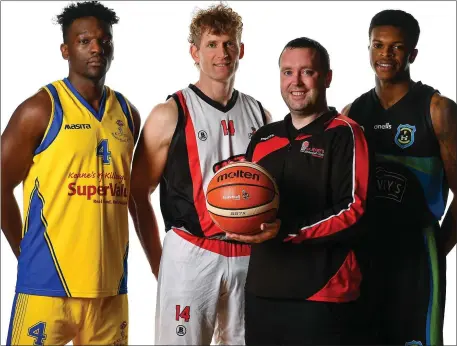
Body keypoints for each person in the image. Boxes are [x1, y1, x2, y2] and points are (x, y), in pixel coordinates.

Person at [128, 3, 270, 345]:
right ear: (195, 51)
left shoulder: (261, 114)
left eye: (229, 44)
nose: (221, 53)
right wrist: (160, 264)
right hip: (191, 253)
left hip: (248, 257)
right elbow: (136, 193)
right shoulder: (170, 112)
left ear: (241, 50)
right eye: (211, 44)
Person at [1, 1, 141, 345]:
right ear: (65, 49)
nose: (96, 48)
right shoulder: (40, 109)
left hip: (110, 290)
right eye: (84, 41)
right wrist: (25, 252)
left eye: (104, 40)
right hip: (46, 289)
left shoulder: (128, 113)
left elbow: (136, 194)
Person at [226, 37, 371, 345]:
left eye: (308, 72)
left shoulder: (345, 133)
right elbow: (247, 200)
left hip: (324, 292)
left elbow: (354, 210)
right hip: (263, 290)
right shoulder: (264, 137)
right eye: (287, 72)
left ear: (327, 77)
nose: (296, 82)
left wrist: (287, 231)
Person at [341, 9, 456, 346]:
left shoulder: (437, 109)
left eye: (396, 47)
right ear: (369, 50)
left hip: (417, 249)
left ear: (412, 54)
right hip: (365, 250)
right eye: (378, 45)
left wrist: (435, 248)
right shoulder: (352, 113)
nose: (385, 55)